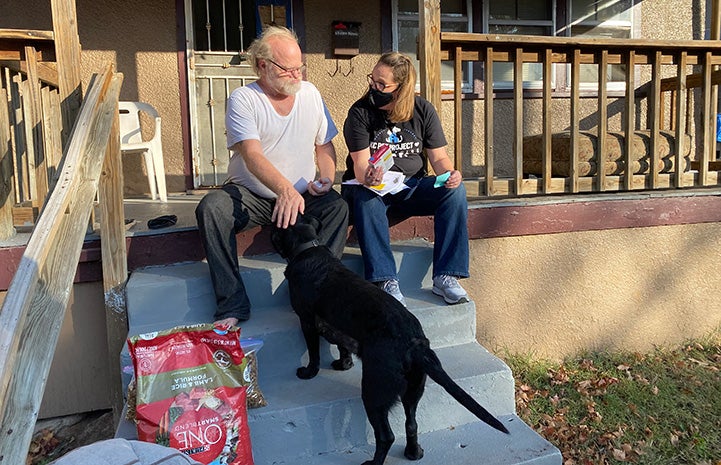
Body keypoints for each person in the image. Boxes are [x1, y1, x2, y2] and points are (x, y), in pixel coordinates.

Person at [195, 26, 349, 327]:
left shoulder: (311, 93)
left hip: (302, 196)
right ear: (262, 65)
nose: (297, 76)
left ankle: (317, 293)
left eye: (299, 68)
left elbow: (324, 144)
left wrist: (327, 177)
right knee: (212, 208)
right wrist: (284, 190)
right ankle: (232, 303)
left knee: (337, 207)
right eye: (288, 69)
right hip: (252, 195)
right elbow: (252, 155)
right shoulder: (243, 98)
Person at [341, 51, 469, 307]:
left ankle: (446, 276)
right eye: (373, 80)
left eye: (382, 84)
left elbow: (439, 158)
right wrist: (370, 175)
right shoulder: (360, 112)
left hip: (411, 186)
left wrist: (450, 174)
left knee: (455, 191)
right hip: (370, 186)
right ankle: (384, 279)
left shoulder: (422, 109)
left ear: (400, 88)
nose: (373, 87)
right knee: (367, 196)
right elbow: (359, 165)